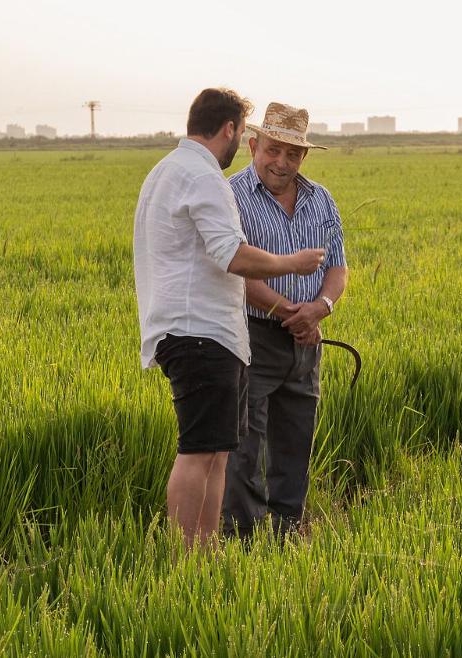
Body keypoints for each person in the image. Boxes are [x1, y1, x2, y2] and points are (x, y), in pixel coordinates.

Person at [133, 88, 324, 550]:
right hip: (200, 333)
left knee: (217, 451)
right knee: (199, 453)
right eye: (243, 133)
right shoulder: (203, 177)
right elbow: (231, 255)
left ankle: (207, 548)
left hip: (196, 331)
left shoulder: (165, 171)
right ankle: (189, 555)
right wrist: (290, 264)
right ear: (232, 130)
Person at [221, 102, 348, 539]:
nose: (282, 162)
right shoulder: (230, 197)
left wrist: (320, 309)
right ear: (254, 146)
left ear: (303, 157)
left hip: (307, 340)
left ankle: (287, 531)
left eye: (292, 154)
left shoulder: (322, 199)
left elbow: (338, 268)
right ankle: (243, 539)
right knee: (244, 446)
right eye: (274, 150)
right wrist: (287, 311)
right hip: (253, 336)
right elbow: (235, 267)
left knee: (296, 442)